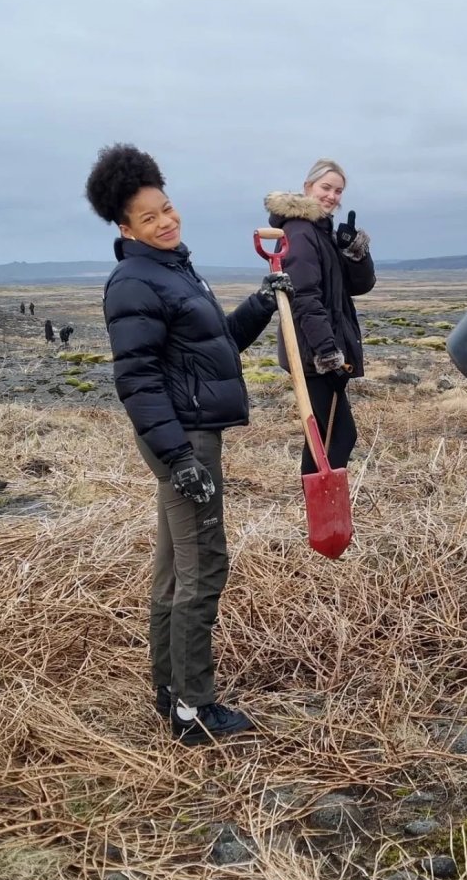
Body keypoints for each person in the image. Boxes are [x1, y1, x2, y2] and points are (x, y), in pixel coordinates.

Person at [86, 143, 293, 747]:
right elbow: (137, 378)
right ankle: (193, 708)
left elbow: (217, 346)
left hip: (188, 433)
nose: (165, 221)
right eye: (149, 218)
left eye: (167, 208)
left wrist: (260, 302)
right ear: (124, 227)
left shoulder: (173, 268)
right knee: (204, 567)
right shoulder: (134, 281)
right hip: (183, 438)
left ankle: (167, 690)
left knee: (176, 569)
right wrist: (178, 458)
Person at [264, 159, 376, 475]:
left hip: (319, 350)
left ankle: (321, 514)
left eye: (338, 190)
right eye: (325, 187)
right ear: (307, 187)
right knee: (334, 439)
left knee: (326, 439)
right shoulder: (299, 233)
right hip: (313, 354)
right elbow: (303, 298)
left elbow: (360, 285)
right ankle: (320, 513)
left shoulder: (320, 232)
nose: (332, 196)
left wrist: (354, 252)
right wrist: (328, 353)